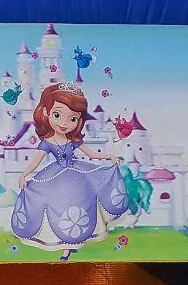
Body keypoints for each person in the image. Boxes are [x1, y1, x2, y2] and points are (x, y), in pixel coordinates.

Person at [10, 81, 128, 253]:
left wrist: (109, 156)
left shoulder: (73, 140)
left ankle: (75, 242)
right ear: (46, 112)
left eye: (73, 118)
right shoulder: (47, 143)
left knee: (82, 203)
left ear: (78, 120)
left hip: (77, 174)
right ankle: (63, 243)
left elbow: (92, 155)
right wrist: (23, 176)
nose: (65, 123)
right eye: (57, 115)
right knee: (57, 204)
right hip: (55, 176)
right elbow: (36, 162)